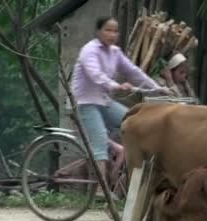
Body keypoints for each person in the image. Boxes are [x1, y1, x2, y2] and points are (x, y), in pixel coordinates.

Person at [70, 16, 165, 197]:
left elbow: (133, 72)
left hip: (105, 101)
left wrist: (156, 88)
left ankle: (126, 177)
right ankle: (101, 189)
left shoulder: (115, 52)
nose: (112, 34)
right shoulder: (89, 51)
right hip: (87, 103)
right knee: (99, 144)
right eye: (108, 30)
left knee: (134, 122)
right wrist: (116, 85)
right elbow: (95, 75)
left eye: (115, 30)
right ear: (98, 32)